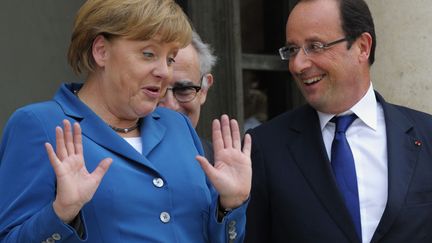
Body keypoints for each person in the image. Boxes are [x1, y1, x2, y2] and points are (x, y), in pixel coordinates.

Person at [0, 0, 252, 242]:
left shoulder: (178, 126)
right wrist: (61, 214)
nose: (164, 71)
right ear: (101, 51)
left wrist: (230, 205)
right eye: (148, 53)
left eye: (170, 58)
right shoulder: (40, 124)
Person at [245, 0, 432, 242]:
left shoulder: (426, 136)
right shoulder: (265, 148)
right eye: (292, 50)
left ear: (362, 47)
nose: (298, 65)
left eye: (315, 46)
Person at [158, 30, 216, 161]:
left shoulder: (220, 165)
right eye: (156, 89)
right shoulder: (109, 161)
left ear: (203, 90)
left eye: (183, 90)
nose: (170, 106)